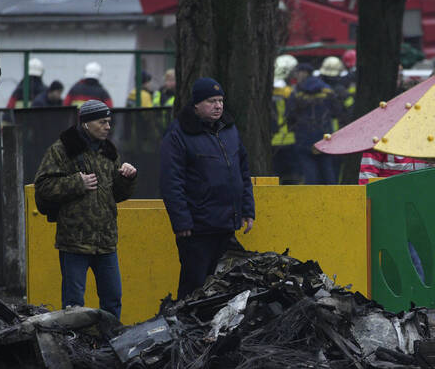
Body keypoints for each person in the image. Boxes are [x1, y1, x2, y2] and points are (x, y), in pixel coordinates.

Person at [33, 100, 138, 321]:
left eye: (109, 122)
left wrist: (126, 179)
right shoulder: (62, 149)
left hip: (106, 241)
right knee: (73, 305)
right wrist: (76, 183)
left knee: (113, 299)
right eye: (102, 122)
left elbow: (116, 195)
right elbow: (42, 187)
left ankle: (109, 345)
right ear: (86, 124)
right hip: (75, 242)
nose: (108, 127)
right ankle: (74, 345)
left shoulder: (109, 151)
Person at [159, 77, 256, 300]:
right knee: (194, 288)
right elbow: (171, 182)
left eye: (221, 100)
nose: (218, 106)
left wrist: (247, 210)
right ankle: (185, 330)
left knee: (224, 287)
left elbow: (243, 171)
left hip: (225, 225)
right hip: (197, 229)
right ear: (196, 105)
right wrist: (181, 221)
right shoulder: (178, 135)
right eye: (212, 101)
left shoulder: (229, 130)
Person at [287, 62, 343, 184]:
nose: (296, 76)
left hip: (303, 138)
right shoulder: (327, 90)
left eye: (297, 73)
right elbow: (337, 111)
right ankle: (333, 198)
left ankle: (312, 200)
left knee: (309, 173)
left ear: (304, 73)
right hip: (325, 137)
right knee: (328, 170)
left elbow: (290, 115)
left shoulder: (297, 93)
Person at [271, 54, 299, 184]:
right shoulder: (289, 92)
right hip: (289, 138)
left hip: (272, 139)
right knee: (291, 177)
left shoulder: (269, 90)